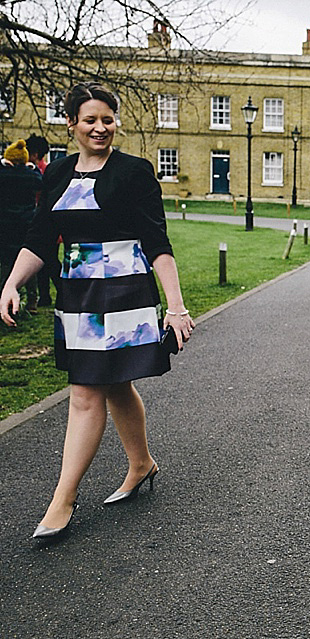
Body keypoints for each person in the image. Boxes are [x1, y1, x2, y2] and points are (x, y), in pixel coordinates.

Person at [0, 81, 195, 540]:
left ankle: (62, 499)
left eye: (107, 119)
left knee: (90, 390)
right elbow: (40, 237)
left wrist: (177, 307)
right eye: (90, 120)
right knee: (110, 385)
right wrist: (11, 283)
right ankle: (142, 463)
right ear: (71, 124)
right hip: (79, 296)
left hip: (125, 291)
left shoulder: (134, 172)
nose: (100, 127)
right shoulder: (57, 174)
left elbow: (157, 244)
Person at [0, 140, 43, 313]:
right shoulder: (31, 176)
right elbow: (40, 182)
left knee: (5, 263)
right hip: (26, 222)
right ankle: (32, 299)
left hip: (5, 224)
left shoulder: (2, 175)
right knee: (26, 261)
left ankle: (5, 296)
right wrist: (31, 167)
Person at [25, 133, 58, 307]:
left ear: (35, 154)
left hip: (46, 223)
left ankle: (59, 291)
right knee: (45, 262)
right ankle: (45, 296)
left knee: (50, 261)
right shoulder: (43, 170)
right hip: (41, 222)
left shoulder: (41, 172)